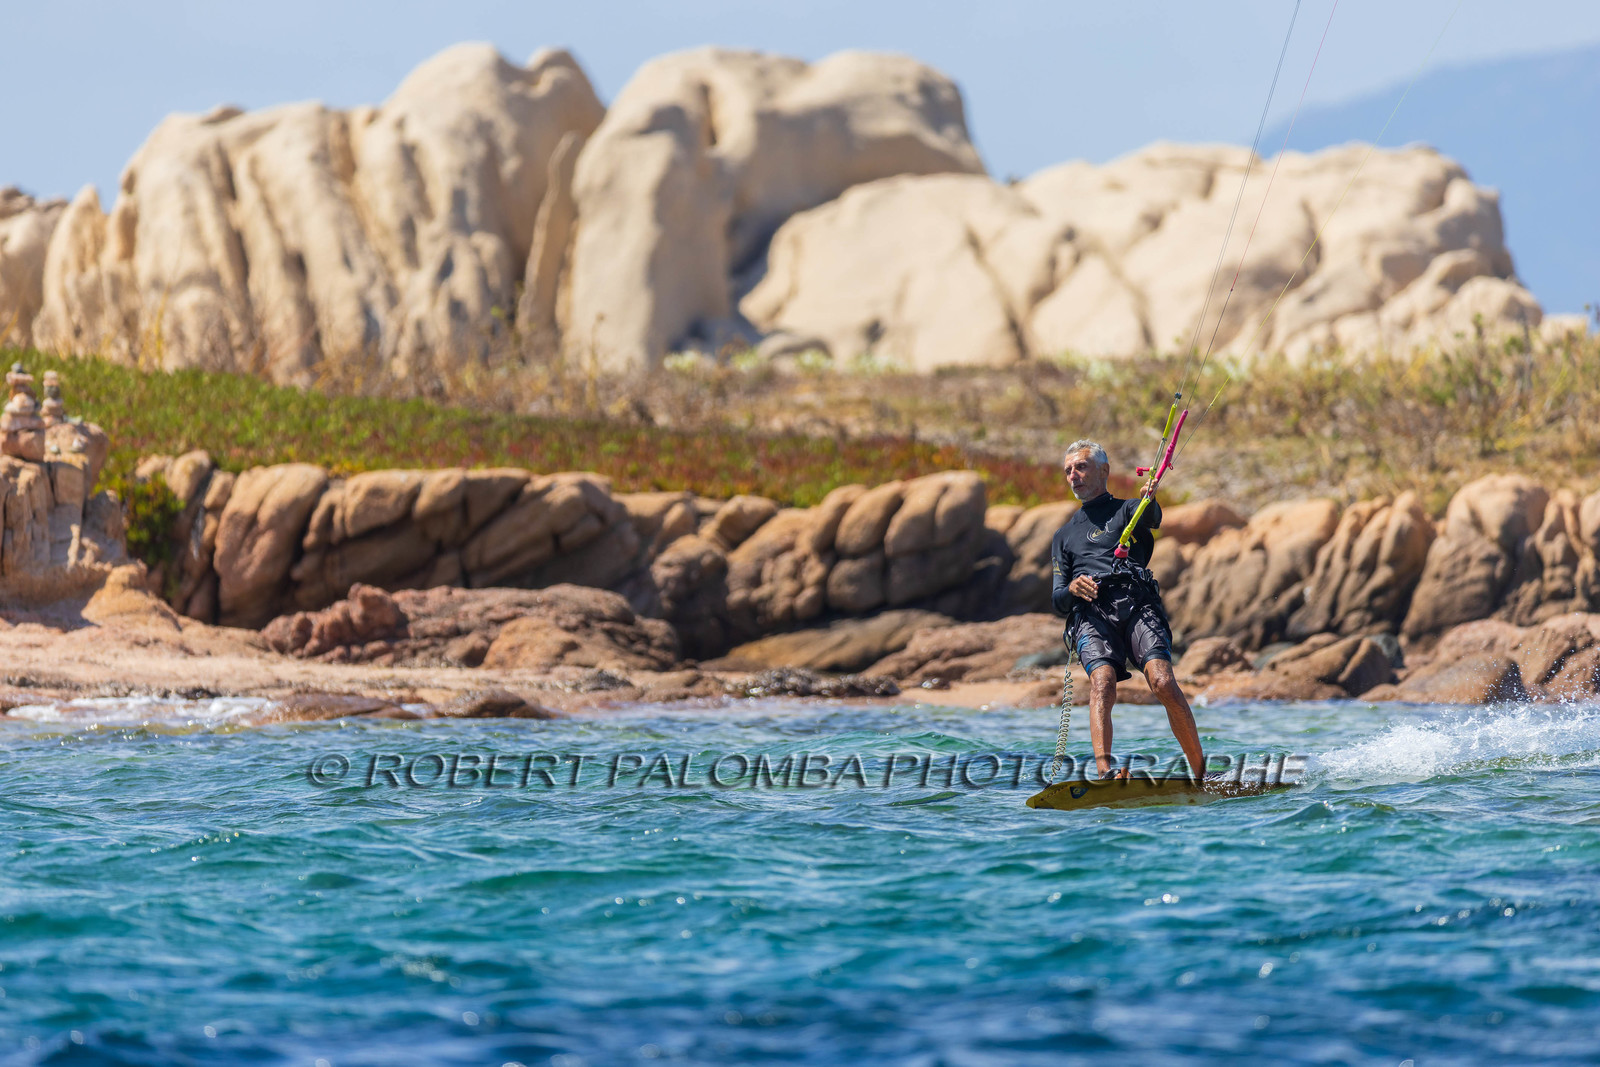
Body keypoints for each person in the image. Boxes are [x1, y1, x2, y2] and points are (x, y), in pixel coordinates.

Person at [1050, 440, 1207, 783]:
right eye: (1068, 470)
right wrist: (1073, 588)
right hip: (1091, 615)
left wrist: (1149, 497)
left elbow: (1153, 517)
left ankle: (1200, 774)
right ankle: (1106, 774)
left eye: (1081, 467)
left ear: (1104, 471)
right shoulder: (1063, 536)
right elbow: (1057, 598)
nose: (1073, 475)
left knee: (1163, 681)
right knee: (1102, 683)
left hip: (1136, 604)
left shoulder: (1128, 511)